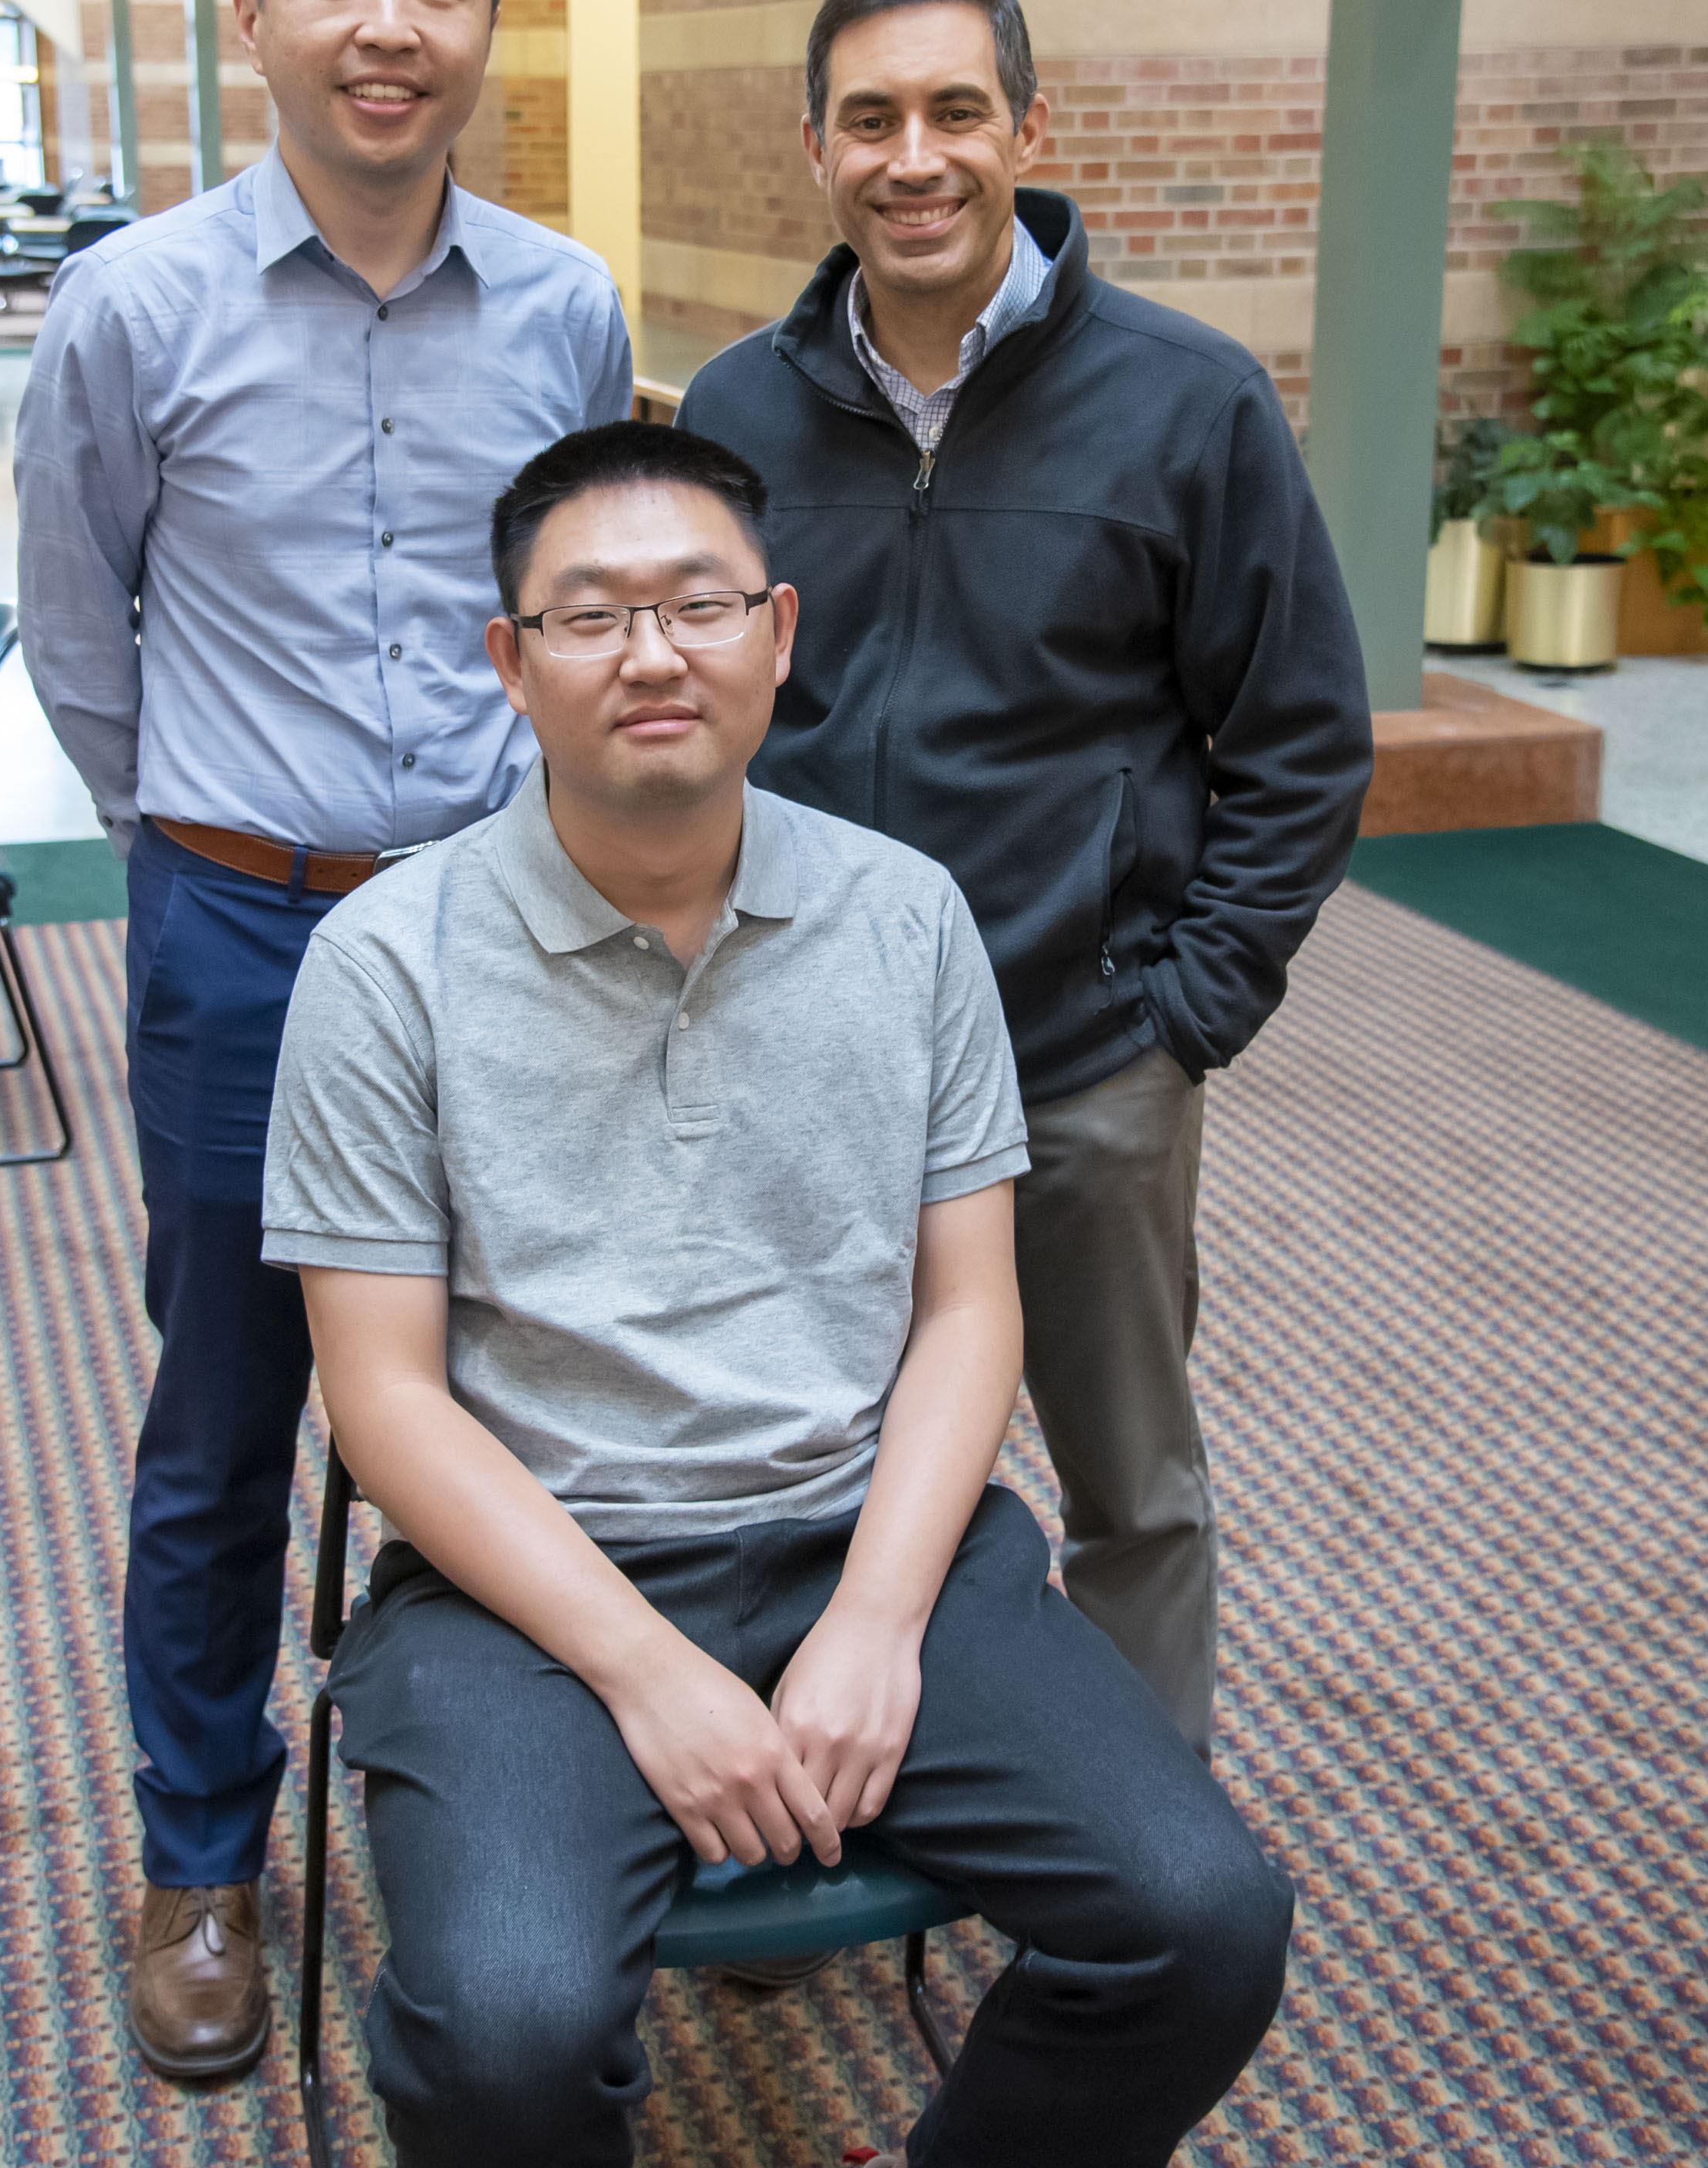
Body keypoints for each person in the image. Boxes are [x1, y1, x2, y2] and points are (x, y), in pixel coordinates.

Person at [269, 420, 1293, 2167]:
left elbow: (972, 1312)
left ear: (782, 635)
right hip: (528, 1583)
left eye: (699, 605)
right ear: (510, 663)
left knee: (1205, 1925)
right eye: (590, 617)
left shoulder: (908, 918)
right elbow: (387, 1400)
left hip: (867, 1533)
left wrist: (879, 1623)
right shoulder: (387, 963)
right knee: (503, 2037)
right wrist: (650, 1669)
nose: (654, 654)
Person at [12, 0, 634, 2081]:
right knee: (230, 1416)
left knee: (526, 1379)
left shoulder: (565, 307)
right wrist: (209, 862)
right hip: (241, 937)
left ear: (484, 20)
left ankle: (541, 1805)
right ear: (256, 10)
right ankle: (199, 1854)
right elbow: (82, 647)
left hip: (505, 932)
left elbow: (572, 618)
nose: (389, 24)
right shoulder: (131, 305)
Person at [675, 0, 1372, 1750]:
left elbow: (1299, 738)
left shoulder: (1188, 399)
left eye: (956, 112)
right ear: (816, 148)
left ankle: (1136, 1891)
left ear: (1029, 128)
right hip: (798, 1056)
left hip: (1080, 1058)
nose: (917, 158)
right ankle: (795, 1811)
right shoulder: (740, 411)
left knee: (1129, 1486)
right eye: (872, 119)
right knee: (790, 1464)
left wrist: (1185, 1007)